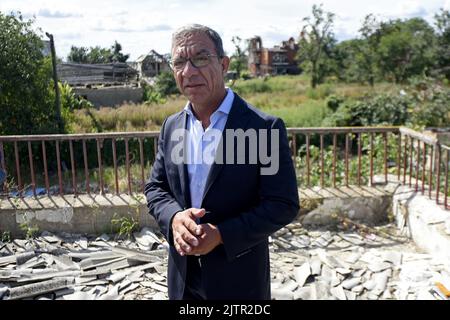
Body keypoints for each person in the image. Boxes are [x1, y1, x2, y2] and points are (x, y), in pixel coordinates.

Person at [144, 24, 299, 300]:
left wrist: (222, 234)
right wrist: (175, 218)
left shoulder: (261, 129)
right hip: (183, 279)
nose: (189, 71)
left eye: (201, 58)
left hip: (239, 282)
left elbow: (283, 204)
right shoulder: (172, 128)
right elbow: (156, 187)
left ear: (224, 64)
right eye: (179, 61)